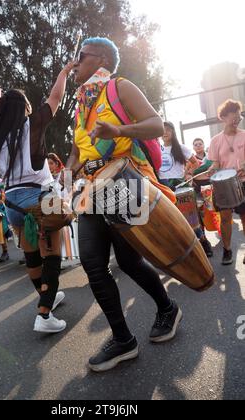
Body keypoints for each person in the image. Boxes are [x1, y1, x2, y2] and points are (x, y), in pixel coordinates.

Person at [65, 37, 182, 373]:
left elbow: (156, 125)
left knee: (129, 262)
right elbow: (76, 149)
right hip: (90, 188)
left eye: (80, 56)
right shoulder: (82, 103)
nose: (74, 63)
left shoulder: (119, 87)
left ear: (100, 59)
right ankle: (122, 339)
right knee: (92, 262)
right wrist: (70, 173)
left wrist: (117, 128)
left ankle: (167, 307)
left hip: (122, 178)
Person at [0, 62, 75, 333]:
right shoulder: (32, 125)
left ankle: (47, 297)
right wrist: (63, 73)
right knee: (52, 255)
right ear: (25, 108)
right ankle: (44, 315)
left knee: (32, 258)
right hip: (41, 197)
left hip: (12, 203)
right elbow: (56, 98)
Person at [159, 123, 213, 257]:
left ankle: (204, 242)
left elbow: (195, 163)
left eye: (168, 130)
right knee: (171, 221)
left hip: (181, 186)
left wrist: (188, 174)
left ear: (173, 132)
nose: (165, 132)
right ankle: (185, 249)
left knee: (192, 219)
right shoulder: (156, 148)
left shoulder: (181, 148)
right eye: (162, 130)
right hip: (164, 187)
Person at [208, 99, 245, 265]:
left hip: (243, 182)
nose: (237, 118)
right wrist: (213, 170)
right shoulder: (216, 140)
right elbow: (215, 164)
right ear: (223, 117)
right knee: (225, 218)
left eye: (239, 114)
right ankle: (227, 249)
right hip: (224, 186)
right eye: (233, 115)